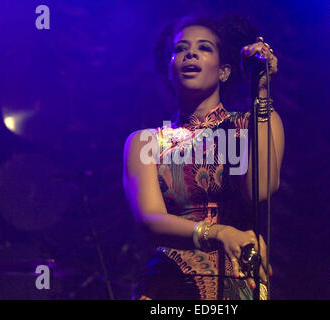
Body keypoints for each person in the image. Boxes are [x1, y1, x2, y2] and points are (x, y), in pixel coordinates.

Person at [122, 14, 285, 300]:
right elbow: (150, 219)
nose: (190, 53)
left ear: (224, 71)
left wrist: (260, 90)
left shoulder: (254, 123)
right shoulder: (145, 142)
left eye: (204, 47)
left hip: (237, 279)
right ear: (170, 69)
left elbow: (260, 190)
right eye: (181, 48)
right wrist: (218, 233)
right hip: (169, 282)